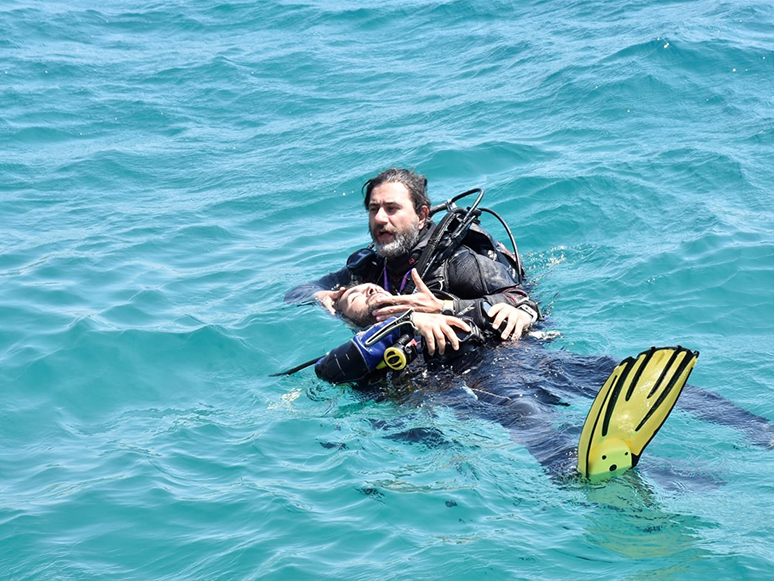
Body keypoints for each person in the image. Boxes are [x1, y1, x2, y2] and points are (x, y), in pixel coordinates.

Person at [285, 168, 541, 349]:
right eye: (374, 210)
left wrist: (444, 307)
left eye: (392, 209)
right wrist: (326, 298)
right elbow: (296, 294)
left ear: (421, 216)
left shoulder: (455, 262)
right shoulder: (370, 269)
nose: (380, 219)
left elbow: (518, 299)